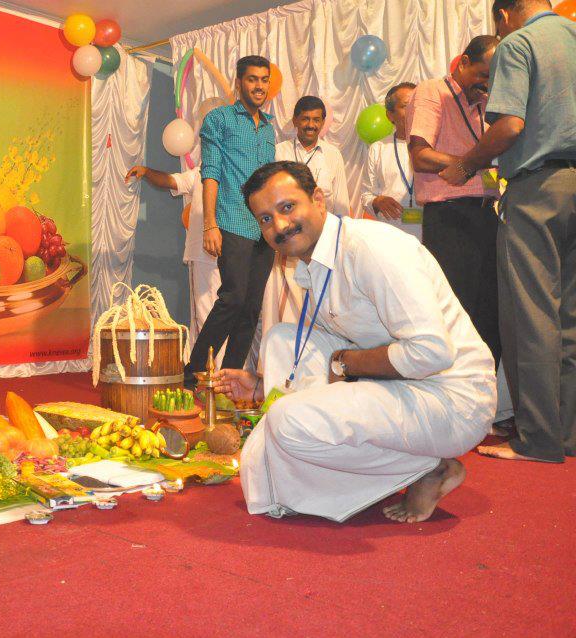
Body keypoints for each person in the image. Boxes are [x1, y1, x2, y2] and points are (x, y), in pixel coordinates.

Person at [215, 161, 496, 523]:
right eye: (265, 219)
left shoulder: (371, 248)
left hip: (451, 399)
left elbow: (431, 352)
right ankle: (357, 467)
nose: (279, 226)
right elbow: (340, 347)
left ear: (318, 199)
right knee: (282, 339)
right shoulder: (314, 263)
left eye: (287, 207)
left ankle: (429, 467)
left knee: (286, 422)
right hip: (403, 385)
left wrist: (345, 363)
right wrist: (261, 386)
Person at [439, 0, 576, 463]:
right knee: (570, 317)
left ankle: (538, 439)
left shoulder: (518, 43)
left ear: (503, 15)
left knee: (530, 315)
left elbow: (510, 125)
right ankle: (568, 434)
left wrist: (466, 164)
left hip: (537, 189)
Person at [184, 55, 277, 388]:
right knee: (233, 298)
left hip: (264, 228)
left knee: (250, 308)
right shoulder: (219, 119)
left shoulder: (269, 128)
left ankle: (230, 381)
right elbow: (210, 172)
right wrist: (210, 224)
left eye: (264, 80)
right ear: (239, 83)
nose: (259, 86)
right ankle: (193, 373)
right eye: (252, 79)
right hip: (232, 220)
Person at [407, 35, 501, 364]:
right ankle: (454, 387)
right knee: (456, 313)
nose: (486, 84)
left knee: (490, 315)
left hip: (487, 216)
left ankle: (485, 389)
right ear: (463, 62)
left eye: (493, 78)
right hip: (450, 220)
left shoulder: (486, 104)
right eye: (482, 74)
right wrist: (467, 164)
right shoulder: (433, 91)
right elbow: (421, 156)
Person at [125, 164, 222, 363]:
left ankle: (220, 368)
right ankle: (206, 368)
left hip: (230, 252)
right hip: (202, 253)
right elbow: (171, 180)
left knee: (225, 313)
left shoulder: (237, 168)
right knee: (204, 313)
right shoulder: (200, 173)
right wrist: (147, 172)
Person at [360, 82, 422, 239]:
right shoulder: (378, 148)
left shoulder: (434, 145)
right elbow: (366, 194)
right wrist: (377, 201)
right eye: (406, 106)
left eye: (417, 105)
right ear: (390, 115)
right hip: (390, 233)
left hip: (428, 233)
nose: (413, 111)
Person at [275, 95, 352, 217]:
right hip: (289, 225)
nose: (311, 125)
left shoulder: (333, 154)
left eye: (316, 120)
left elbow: (341, 204)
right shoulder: (279, 152)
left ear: (323, 122)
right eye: (305, 119)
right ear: (295, 120)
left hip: (324, 226)